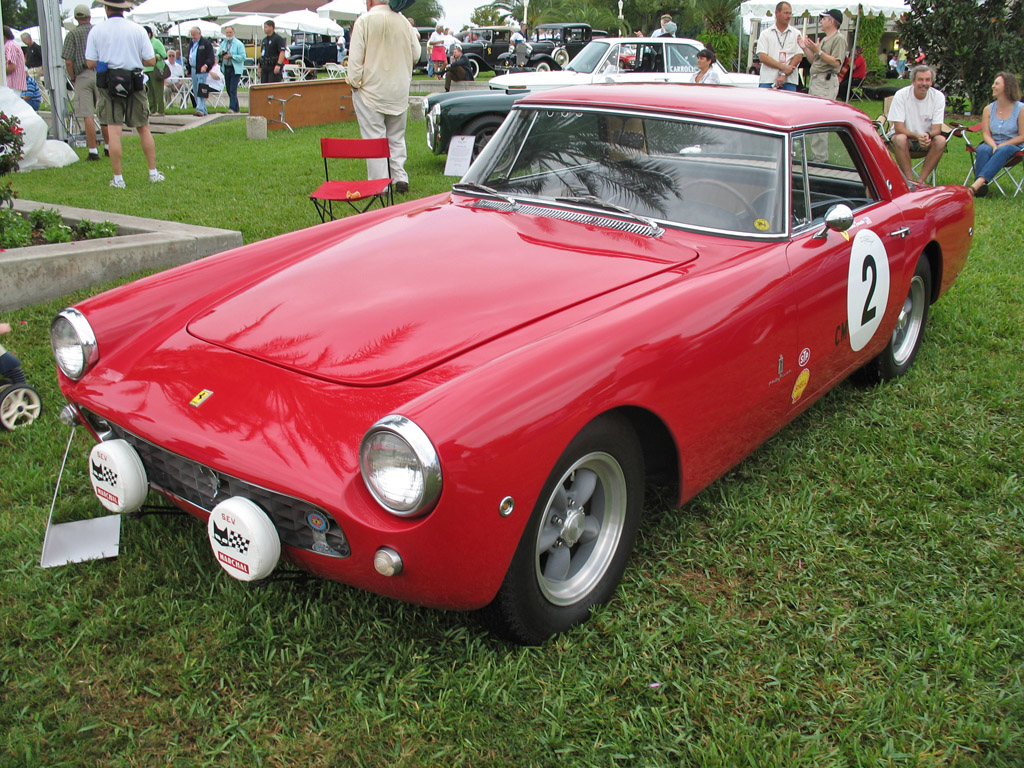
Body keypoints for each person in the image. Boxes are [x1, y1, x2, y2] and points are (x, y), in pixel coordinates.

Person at [85, 0, 165, 188]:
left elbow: (89, 62)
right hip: (134, 82)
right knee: (143, 128)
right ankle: (153, 172)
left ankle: (118, 178)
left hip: (109, 84)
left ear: (106, 8)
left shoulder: (97, 30)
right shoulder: (138, 30)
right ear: (125, 8)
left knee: (114, 132)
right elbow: (151, 60)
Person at [346, 0, 420, 195]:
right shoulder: (404, 22)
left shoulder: (364, 21)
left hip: (371, 89)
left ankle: (380, 184)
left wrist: (354, 83)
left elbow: (355, 59)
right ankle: (400, 177)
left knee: (374, 137)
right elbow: (417, 54)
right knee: (396, 136)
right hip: (398, 89)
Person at [968, 71, 1024, 197]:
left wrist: (1003, 145)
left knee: (1004, 149)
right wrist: (993, 145)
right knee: (983, 149)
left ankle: (977, 185)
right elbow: (986, 134)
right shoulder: (988, 109)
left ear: (1007, 87)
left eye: (997, 83)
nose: (993, 86)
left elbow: (1022, 136)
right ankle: (981, 189)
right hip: (993, 144)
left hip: (1013, 146)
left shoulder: (1020, 109)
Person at [800, 9, 846, 159]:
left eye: (823, 18)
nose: (821, 21)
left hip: (825, 83)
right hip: (817, 80)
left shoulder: (838, 39)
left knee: (820, 121)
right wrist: (806, 48)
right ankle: (816, 157)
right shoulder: (826, 39)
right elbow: (815, 62)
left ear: (832, 21)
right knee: (812, 120)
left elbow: (836, 63)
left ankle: (820, 159)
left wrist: (818, 51)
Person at [889, 65, 947, 184]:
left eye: (927, 80)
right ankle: (910, 182)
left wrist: (926, 135)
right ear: (913, 81)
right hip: (903, 140)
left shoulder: (938, 97)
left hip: (926, 140)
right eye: (920, 79)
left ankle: (920, 182)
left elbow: (937, 129)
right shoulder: (901, 95)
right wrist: (917, 136)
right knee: (900, 139)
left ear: (931, 82)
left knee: (941, 140)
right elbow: (899, 128)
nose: (924, 83)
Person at [63, 5, 107, 160]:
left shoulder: (72, 35)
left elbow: (68, 61)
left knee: (88, 114)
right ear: (90, 16)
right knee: (104, 113)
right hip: (101, 73)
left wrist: (73, 77)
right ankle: (108, 147)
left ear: (76, 18)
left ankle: (93, 151)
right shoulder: (98, 31)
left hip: (82, 74)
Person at [757, 2, 802, 91]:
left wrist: (784, 74)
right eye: (786, 13)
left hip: (789, 80)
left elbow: (798, 56)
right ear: (777, 13)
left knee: (789, 105)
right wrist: (783, 67)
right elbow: (762, 57)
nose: (788, 16)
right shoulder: (765, 34)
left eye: (790, 13)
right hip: (768, 80)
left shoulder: (796, 33)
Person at [184, 25, 215, 116]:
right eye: (191, 35)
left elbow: (211, 57)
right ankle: (203, 109)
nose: (193, 37)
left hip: (202, 70)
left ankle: (200, 109)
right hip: (193, 69)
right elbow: (189, 56)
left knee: (201, 89)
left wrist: (206, 65)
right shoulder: (192, 43)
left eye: (194, 34)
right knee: (196, 89)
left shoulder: (205, 43)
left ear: (199, 34)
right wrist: (188, 68)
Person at [217, 25, 245, 113]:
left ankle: (232, 108)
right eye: (227, 33)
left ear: (233, 32)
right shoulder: (223, 43)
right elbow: (218, 52)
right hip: (226, 68)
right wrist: (221, 54)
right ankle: (236, 109)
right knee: (228, 89)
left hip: (235, 69)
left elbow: (243, 57)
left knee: (233, 89)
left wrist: (232, 56)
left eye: (230, 32)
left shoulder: (238, 44)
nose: (229, 34)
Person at [143, 26, 166, 116]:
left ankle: (160, 110)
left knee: (158, 90)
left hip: (155, 69)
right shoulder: (143, 43)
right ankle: (152, 109)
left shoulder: (156, 42)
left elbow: (163, 54)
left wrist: (155, 57)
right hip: (146, 69)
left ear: (149, 34)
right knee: (149, 91)